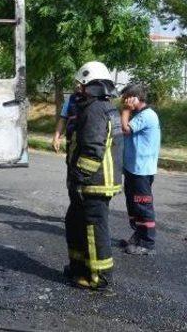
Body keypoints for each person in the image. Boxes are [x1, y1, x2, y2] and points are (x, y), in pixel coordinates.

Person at [64, 61, 123, 290]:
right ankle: (79, 268)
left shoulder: (94, 110)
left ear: (90, 85)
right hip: (93, 182)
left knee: (93, 229)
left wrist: (79, 177)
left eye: (80, 84)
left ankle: (100, 278)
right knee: (75, 223)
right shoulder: (102, 107)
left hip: (93, 183)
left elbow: (92, 149)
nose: (77, 89)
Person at [120, 84, 161, 255]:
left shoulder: (146, 115)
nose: (124, 101)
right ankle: (138, 235)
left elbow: (125, 129)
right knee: (133, 204)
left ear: (135, 97)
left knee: (143, 204)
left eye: (127, 97)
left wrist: (125, 111)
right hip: (133, 168)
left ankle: (147, 243)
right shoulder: (140, 114)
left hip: (141, 170)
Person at [52, 85, 81, 153]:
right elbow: (63, 119)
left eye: (81, 83)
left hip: (86, 141)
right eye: (77, 82)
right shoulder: (70, 99)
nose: (78, 85)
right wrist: (56, 137)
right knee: (70, 161)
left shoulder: (94, 101)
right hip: (71, 140)